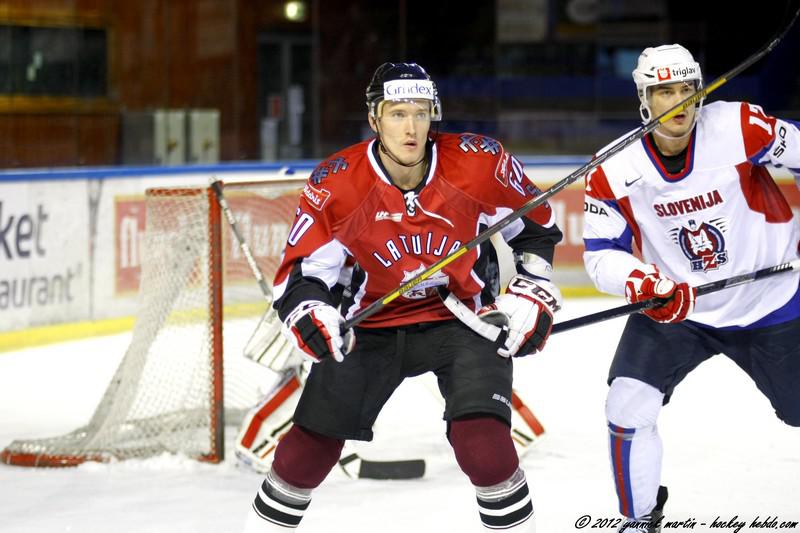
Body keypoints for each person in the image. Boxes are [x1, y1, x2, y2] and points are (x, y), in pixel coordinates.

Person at [244, 62, 563, 532]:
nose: (411, 127)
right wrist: (312, 312)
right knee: (304, 454)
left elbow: (535, 232)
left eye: (419, 112)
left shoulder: (479, 164)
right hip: (369, 327)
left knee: (486, 448)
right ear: (374, 119)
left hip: (462, 320)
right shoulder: (338, 184)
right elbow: (304, 276)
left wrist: (532, 291)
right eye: (396, 113)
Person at [582, 44, 800, 532]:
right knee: (627, 401)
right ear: (644, 99)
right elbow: (599, 257)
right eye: (664, 92)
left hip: (772, 301)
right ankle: (637, 519)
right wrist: (643, 280)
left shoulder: (741, 127)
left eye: (686, 89)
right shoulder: (612, 169)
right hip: (677, 309)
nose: (678, 103)